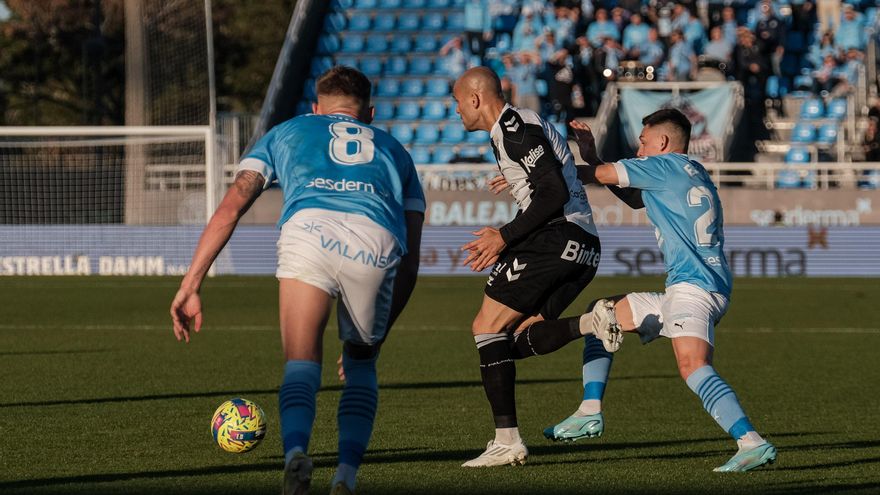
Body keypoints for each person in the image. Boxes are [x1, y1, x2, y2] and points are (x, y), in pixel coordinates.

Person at [169, 66, 425, 495]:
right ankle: (345, 475)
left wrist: (191, 283)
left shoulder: (286, 132)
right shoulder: (396, 150)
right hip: (375, 239)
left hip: (310, 230)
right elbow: (412, 260)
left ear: (315, 108)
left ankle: (295, 456)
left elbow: (232, 206)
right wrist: (379, 335)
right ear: (371, 113)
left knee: (302, 362)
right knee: (361, 366)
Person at [542, 109, 777, 473]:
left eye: (643, 140)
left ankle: (751, 442)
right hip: (690, 288)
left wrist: (541, 171)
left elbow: (593, 176)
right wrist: (591, 155)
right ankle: (589, 412)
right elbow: (634, 197)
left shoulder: (662, 166)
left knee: (693, 366)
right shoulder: (689, 170)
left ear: (662, 142)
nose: (638, 147)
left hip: (695, 288)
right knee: (601, 313)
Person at [451, 67, 623, 468]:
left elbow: (554, 191)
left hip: (555, 237)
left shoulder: (515, 128)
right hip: (584, 247)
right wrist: (515, 181)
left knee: (485, 327)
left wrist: (505, 236)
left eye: (458, 102)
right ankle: (591, 324)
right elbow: (551, 176)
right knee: (509, 342)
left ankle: (507, 440)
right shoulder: (518, 129)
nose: (457, 111)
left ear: (476, 98)